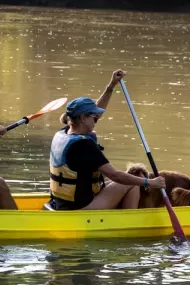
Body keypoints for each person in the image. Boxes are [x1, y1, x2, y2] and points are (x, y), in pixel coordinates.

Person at [47, 70, 165, 210]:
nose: (96, 119)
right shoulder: (84, 145)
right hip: (79, 208)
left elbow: (98, 110)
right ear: (83, 118)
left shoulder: (64, 133)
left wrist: (111, 86)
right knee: (133, 182)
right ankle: (129, 219)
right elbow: (115, 176)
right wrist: (150, 183)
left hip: (60, 203)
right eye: (94, 117)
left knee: (132, 177)